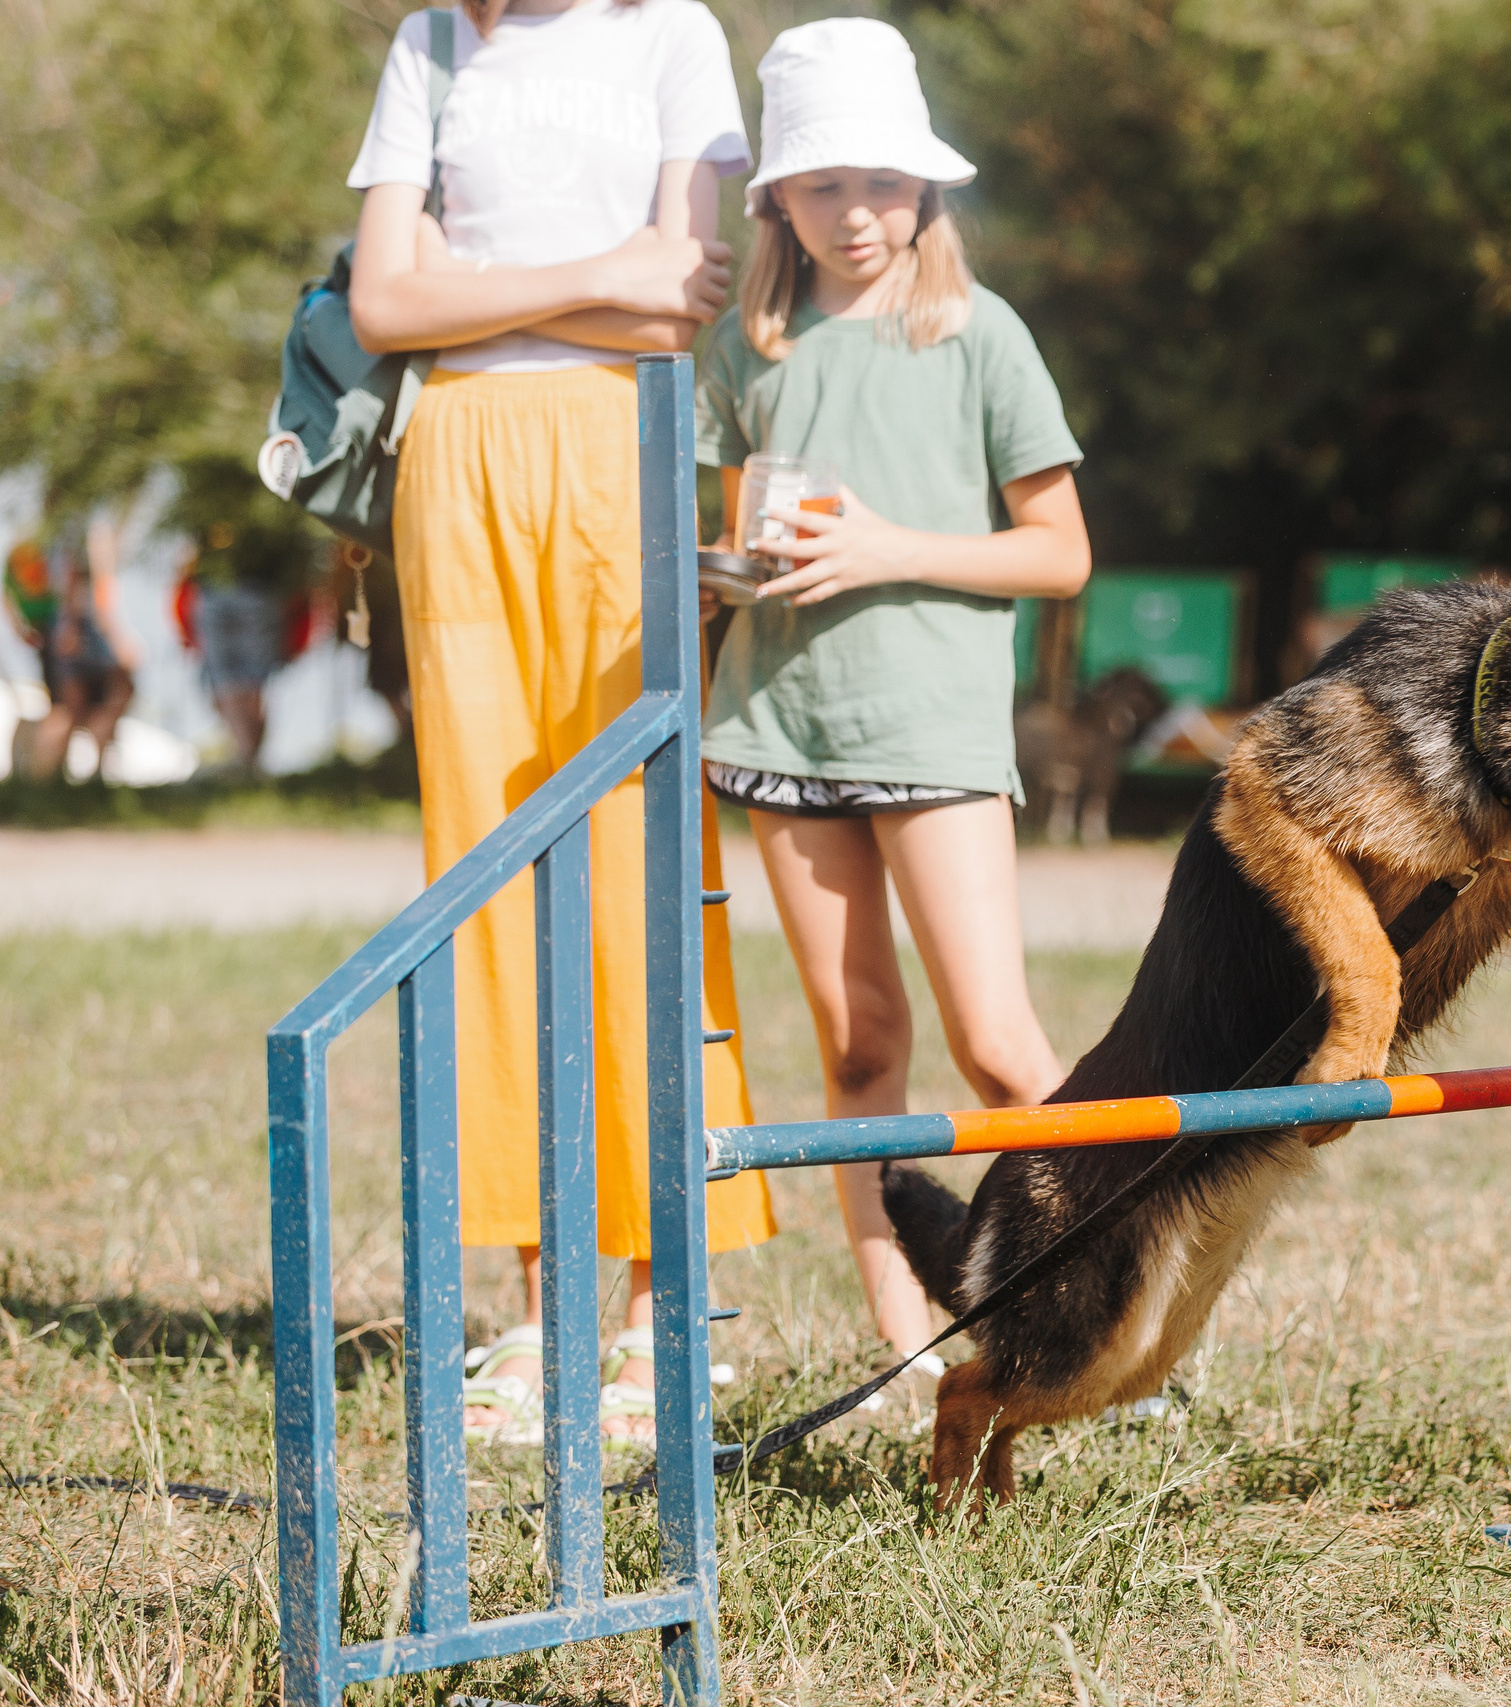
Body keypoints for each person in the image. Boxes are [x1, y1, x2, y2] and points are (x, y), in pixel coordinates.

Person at [343, 0, 769, 1447]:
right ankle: (537, 1308)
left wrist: (486, 282)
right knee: (489, 874)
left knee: (641, 864)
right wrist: (592, 274)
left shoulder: (671, 33)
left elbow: (676, 304)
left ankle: (666, 1309)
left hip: (615, 438)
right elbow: (382, 309)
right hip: (453, 456)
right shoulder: (432, 40)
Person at [696, 19, 1091, 1394]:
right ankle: (901, 1333)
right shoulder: (744, 346)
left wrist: (890, 546)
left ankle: (1084, 1302)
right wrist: (716, 576)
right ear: (778, 204)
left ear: (925, 190)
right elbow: (719, 531)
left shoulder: (982, 335)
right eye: (822, 187)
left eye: (881, 183)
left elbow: (1061, 552)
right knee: (860, 1039)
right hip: (778, 731)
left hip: (931, 733)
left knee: (997, 1043)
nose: (856, 214)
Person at [172, 457, 324, 773]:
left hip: (219, 591)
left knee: (229, 681)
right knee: (247, 682)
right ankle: (249, 762)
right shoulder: (273, 476)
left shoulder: (206, 490)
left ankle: (247, 762)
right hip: (261, 591)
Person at [9, 511, 141, 782]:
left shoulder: (38, 537)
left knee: (74, 708)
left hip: (59, 633)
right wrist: (115, 635)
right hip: (81, 632)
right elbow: (88, 585)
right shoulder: (81, 528)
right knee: (86, 704)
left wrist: (22, 628)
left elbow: (9, 590)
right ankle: (55, 781)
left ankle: (55, 783)